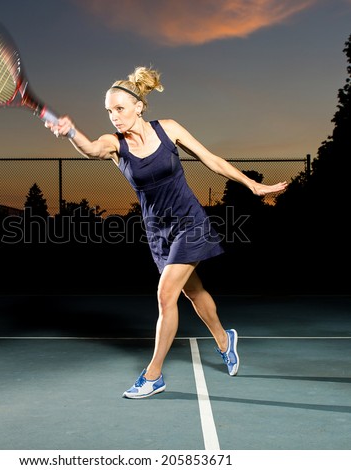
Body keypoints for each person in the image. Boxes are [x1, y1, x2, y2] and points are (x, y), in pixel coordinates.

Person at [45, 66, 287, 399]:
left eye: (120, 108)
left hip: (190, 222)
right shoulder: (114, 145)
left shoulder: (168, 129)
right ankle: (224, 339)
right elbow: (90, 148)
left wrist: (251, 184)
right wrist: (71, 132)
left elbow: (209, 158)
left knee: (165, 295)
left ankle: (153, 374)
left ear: (138, 106)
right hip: (158, 232)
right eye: (109, 111)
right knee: (193, 292)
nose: (114, 117)